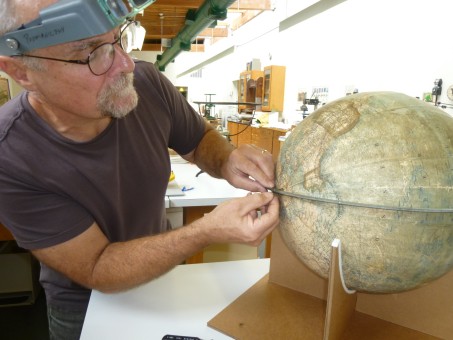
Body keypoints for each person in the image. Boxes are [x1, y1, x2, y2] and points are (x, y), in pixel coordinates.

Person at [0, 1, 279, 339]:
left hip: (164, 280)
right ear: (21, 72)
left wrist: (227, 160)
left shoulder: (146, 84)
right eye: (90, 52)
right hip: (85, 306)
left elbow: (198, 137)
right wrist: (205, 231)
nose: (126, 64)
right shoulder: (11, 154)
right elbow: (97, 266)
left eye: (119, 38)